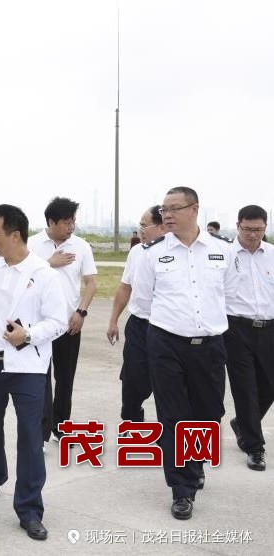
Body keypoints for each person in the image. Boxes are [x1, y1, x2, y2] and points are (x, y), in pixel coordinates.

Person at [0, 204, 67, 541]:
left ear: (15, 235)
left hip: (27, 367)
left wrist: (29, 335)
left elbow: (59, 322)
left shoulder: (43, 273)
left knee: (30, 437)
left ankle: (30, 509)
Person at [133, 186, 231, 520]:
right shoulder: (152, 253)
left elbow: (228, 296)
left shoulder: (223, 251)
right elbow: (144, 302)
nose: (168, 215)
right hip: (166, 343)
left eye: (175, 208)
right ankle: (182, 489)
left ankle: (195, 464)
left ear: (195, 209)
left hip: (210, 345)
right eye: (164, 209)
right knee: (174, 418)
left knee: (208, 414)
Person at [27, 197, 97, 444]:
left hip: (69, 324)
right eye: (67, 222)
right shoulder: (32, 244)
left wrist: (81, 312)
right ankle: (42, 433)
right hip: (39, 326)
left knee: (65, 378)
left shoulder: (81, 246)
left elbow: (91, 282)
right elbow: (21, 278)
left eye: (73, 221)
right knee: (41, 380)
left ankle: (61, 427)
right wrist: (49, 264)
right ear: (51, 221)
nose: (71, 226)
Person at [224, 205, 273, 472]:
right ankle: (254, 447)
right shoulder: (225, 255)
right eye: (247, 229)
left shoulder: (272, 255)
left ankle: (242, 424)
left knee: (268, 385)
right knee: (245, 388)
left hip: (269, 328)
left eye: (258, 229)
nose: (253, 235)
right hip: (236, 329)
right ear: (238, 225)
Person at [106, 206, 164, 425]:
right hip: (139, 325)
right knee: (133, 378)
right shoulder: (136, 252)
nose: (140, 230)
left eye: (143, 225)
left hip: (167, 328)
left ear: (161, 227)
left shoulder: (175, 254)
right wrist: (113, 320)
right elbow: (124, 288)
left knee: (167, 382)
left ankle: (169, 430)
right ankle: (131, 419)